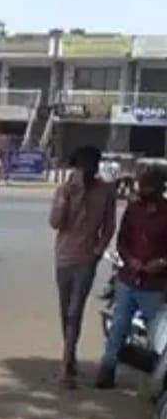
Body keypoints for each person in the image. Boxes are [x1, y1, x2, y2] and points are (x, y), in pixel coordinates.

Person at [49, 145, 116, 389]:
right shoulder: (65, 190)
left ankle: (66, 367)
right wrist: (67, 197)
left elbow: (109, 226)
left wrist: (98, 251)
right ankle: (71, 354)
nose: (86, 170)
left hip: (86, 260)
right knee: (65, 311)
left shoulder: (106, 191)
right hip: (64, 257)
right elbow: (55, 223)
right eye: (82, 165)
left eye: (91, 164)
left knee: (75, 311)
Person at [96, 167, 167, 389]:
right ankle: (107, 370)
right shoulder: (133, 209)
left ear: (159, 187)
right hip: (128, 278)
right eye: (141, 184)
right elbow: (122, 241)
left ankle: (158, 381)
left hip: (154, 284)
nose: (142, 189)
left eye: (147, 185)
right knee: (118, 326)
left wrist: (162, 262)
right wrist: (130, 259)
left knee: (157, 333)